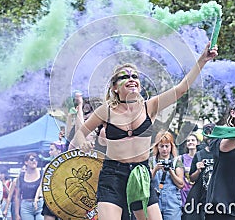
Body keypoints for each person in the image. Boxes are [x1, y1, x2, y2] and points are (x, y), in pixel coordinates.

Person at [70, 42, 218, 220]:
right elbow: (80, 132)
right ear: (114, 87)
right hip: (113, 174)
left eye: (135, 76)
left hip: (141, 173)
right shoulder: (106, 110)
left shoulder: (150, 106)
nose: (132, 79)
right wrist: (83, 143)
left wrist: (202, 60)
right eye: (125, 76)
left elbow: (181, 89)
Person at [149, 131, 184, 220]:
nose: (164, 149)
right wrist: (155, 169)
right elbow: (147, 182)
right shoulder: (151, 161)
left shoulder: (176, 161)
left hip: (172, 201)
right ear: (157, 147)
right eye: (161, 146)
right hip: (155, 200)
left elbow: (181, 184)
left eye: (167, 146)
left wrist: (171, 171)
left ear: (171, 146)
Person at [184, 123, 215, 220]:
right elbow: (192, 178)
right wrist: (198, 170)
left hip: (216, 197)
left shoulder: (222, 153)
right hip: (201, 198)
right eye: (207, 133)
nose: (209, 136)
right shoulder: (199, 155)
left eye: (212, 133)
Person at [35, 142, 63, 220]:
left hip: (64, 200)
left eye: (51, 150)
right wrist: (37, 197)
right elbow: (42, 184)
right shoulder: (48, 166)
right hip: (50, 200)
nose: (49, 152)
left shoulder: (67, 165)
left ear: (59, 150)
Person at [14, 153, 43, 220]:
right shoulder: (21, 176)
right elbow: (17, 196)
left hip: (39, 204)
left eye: (36, 159)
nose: (34, 161)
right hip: (26, 206)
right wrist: (17, 214)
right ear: (26, 162)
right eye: (32, 159)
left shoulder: (42, 173)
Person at [178, 132, 199, 207]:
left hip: (198, 192)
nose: (190, 142)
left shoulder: (201, 157)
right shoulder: (181, 158)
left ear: (197, 142)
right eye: (188, 141)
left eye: (193, 140)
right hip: (184, 193)